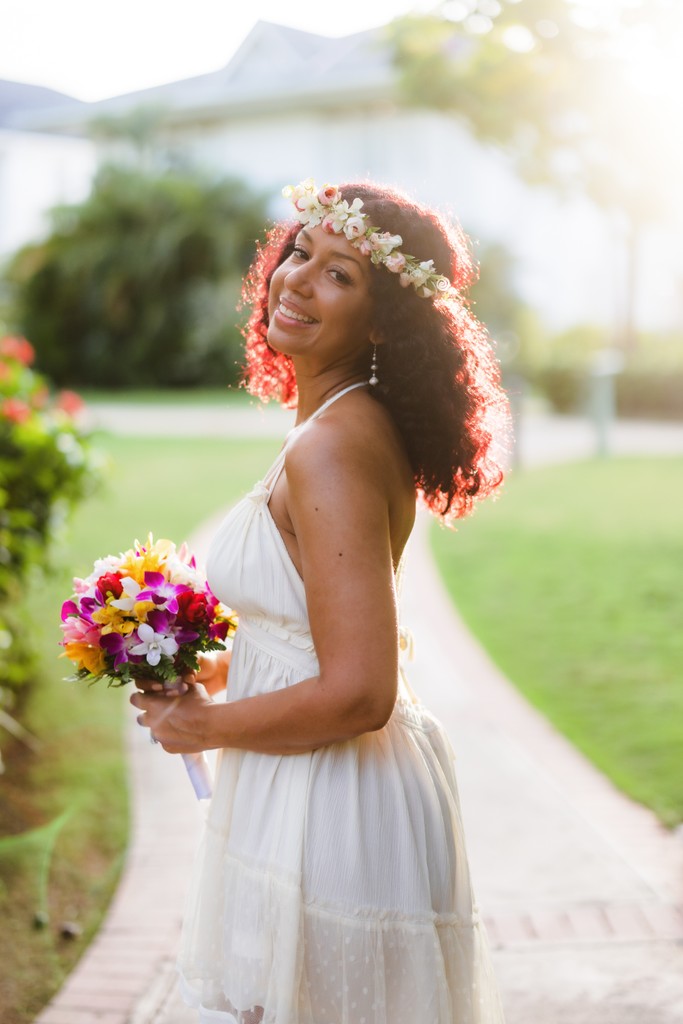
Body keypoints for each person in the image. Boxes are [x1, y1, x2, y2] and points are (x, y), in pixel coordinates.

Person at [131, 178, 509, 1024]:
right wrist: (212, 671)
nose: (298, 278)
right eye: (299, 251)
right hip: (304, 786)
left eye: (340, 273)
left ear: (383, 324)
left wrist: (200, 728)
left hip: (334, 807)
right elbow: (316, 631)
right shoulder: (339, 422)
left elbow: (360, 692)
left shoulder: (333, 446)